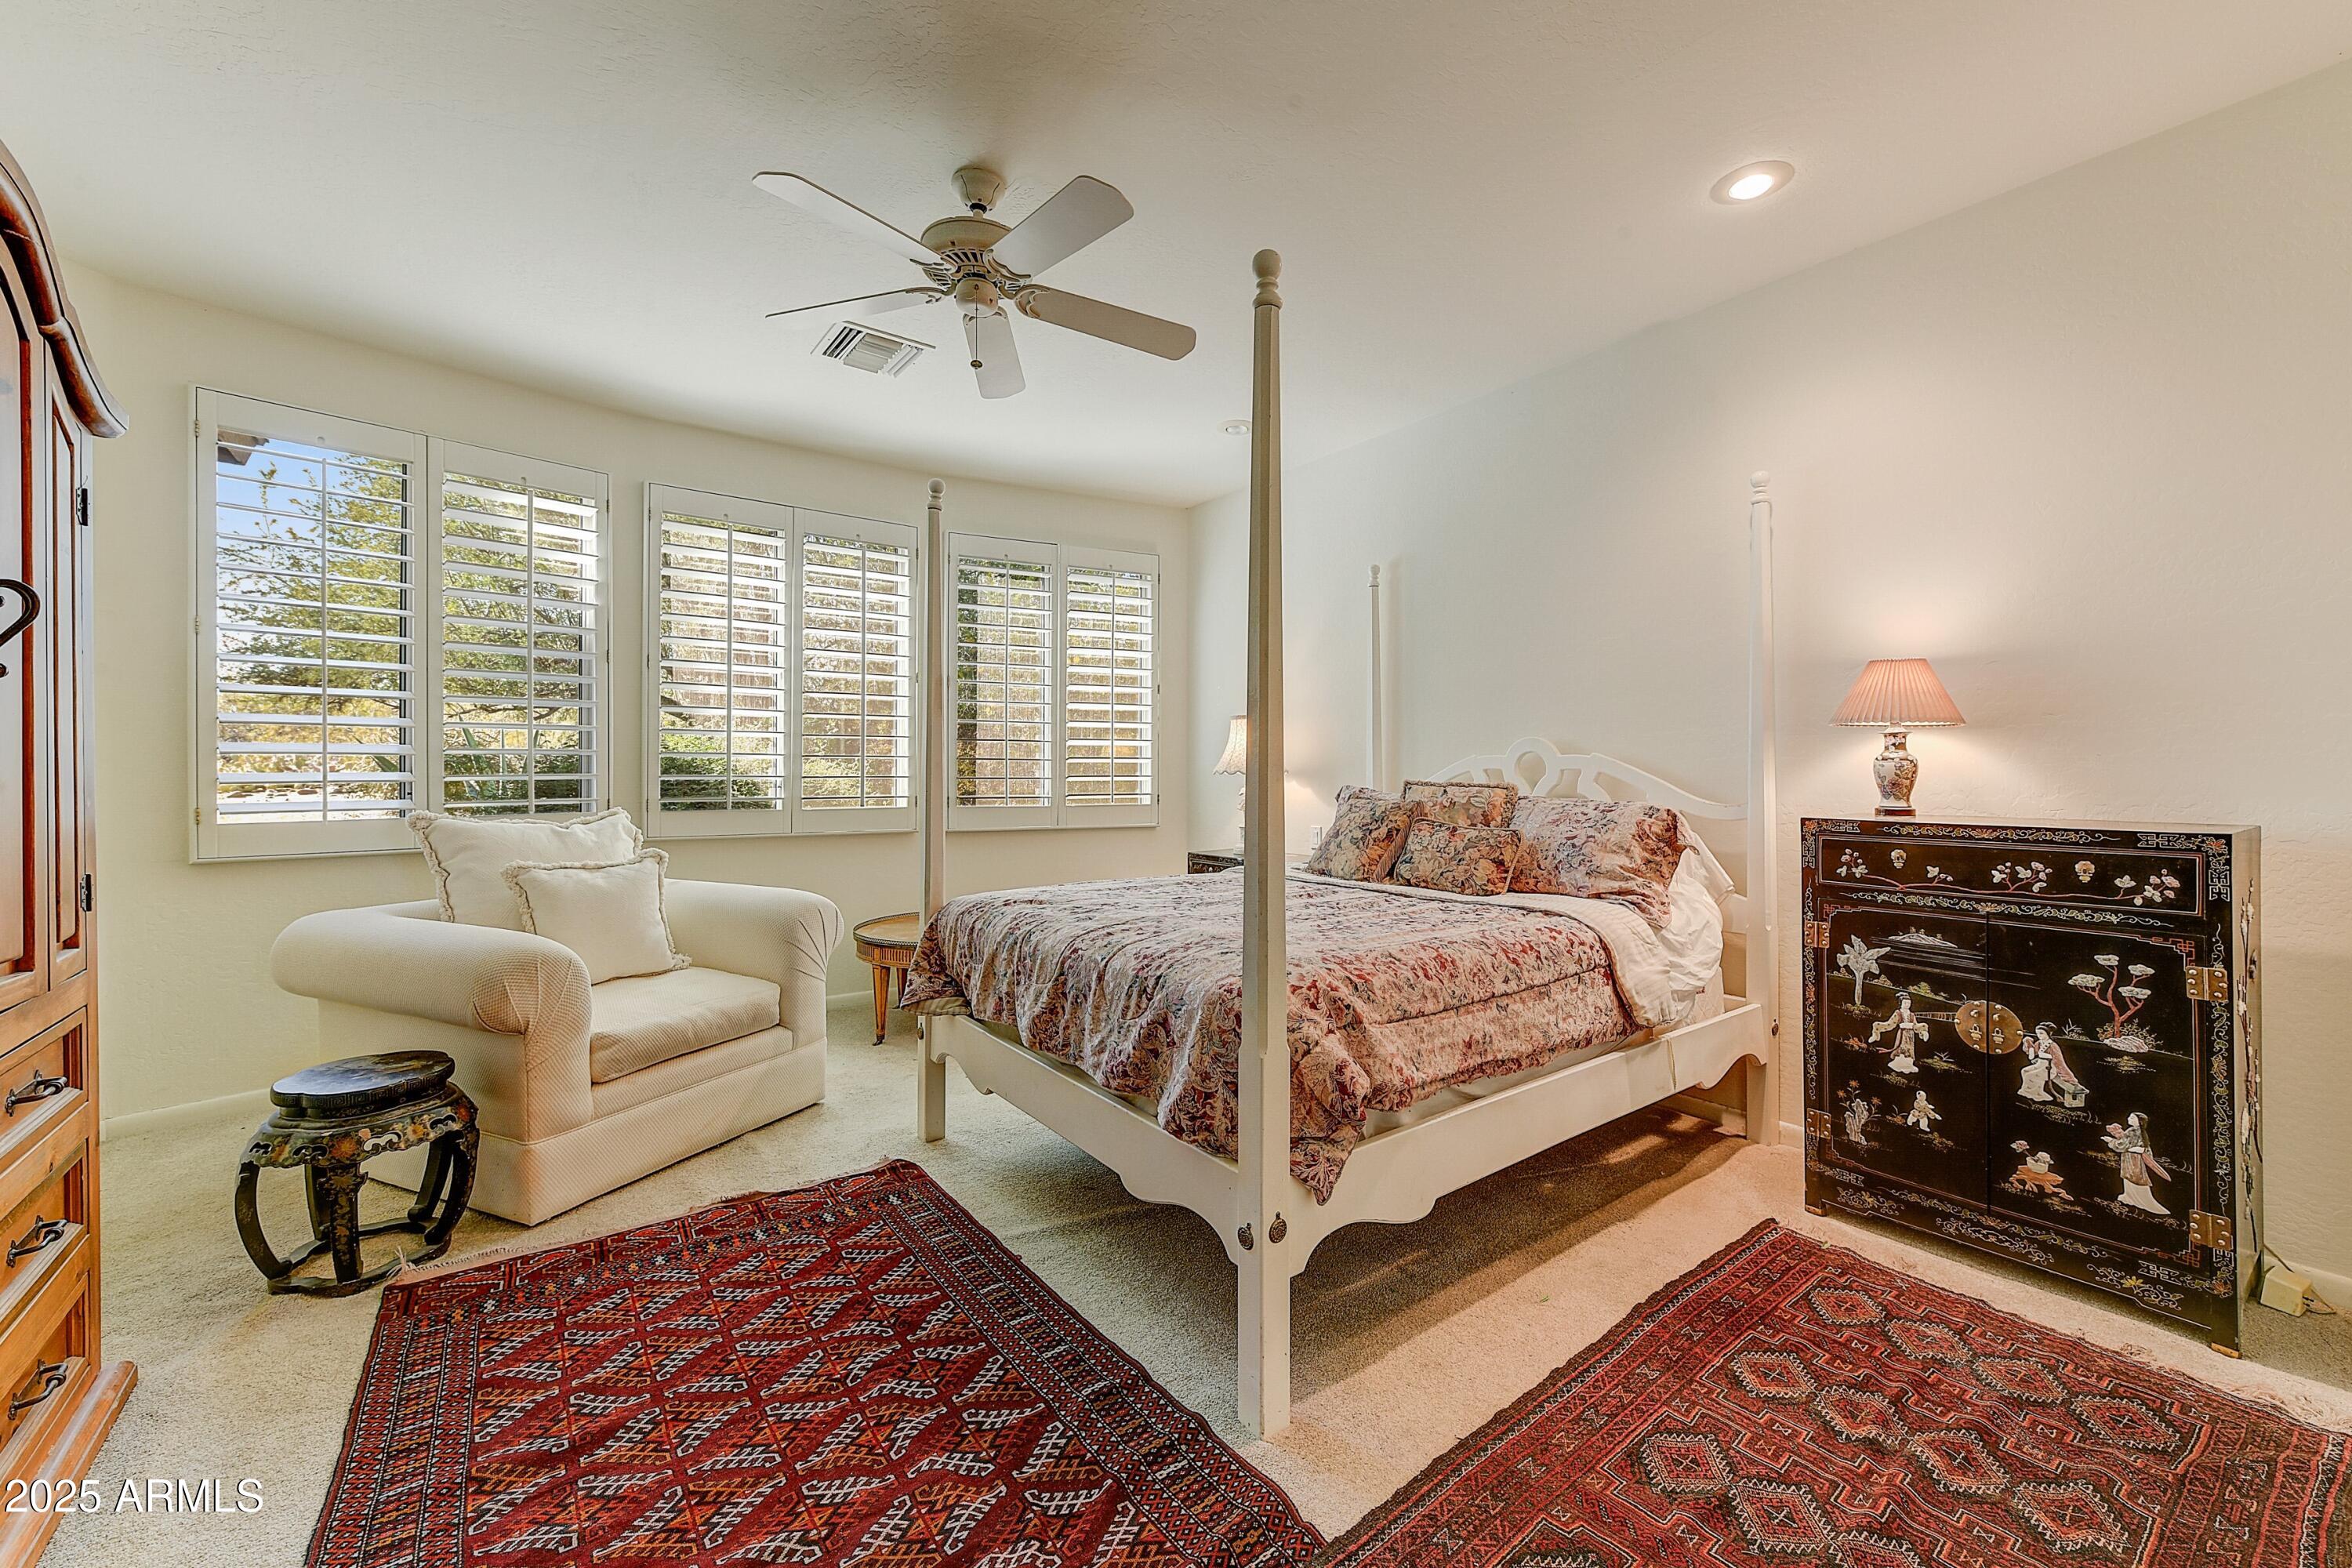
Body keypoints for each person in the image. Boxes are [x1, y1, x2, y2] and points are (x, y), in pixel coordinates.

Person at [2102, 1113, 2172, 1214]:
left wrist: (2111, 1141)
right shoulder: (2139, 1132)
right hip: (2132, 1158)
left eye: (2132, 1118)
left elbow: (2122, 1145)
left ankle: (2142, 1201)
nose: (2128, 1119)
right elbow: (2129, 1142)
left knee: (2135, 1177)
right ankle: (2130, 1197)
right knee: (2130, 1177)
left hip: (2133, 1159)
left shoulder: (2134, 1131)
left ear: (2139, 1121)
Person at [1871, 993, 1927, 1074]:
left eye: (1909, 1003)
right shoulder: (1898, 1013)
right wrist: (1877, 1029)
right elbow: (1890, 1024)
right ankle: (1899, 1065)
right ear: (1901, 1003)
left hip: (1911, 1035)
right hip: (1902, 1033)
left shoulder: (1912, 1015)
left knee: (1910, 1049)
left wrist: (1923, 1031)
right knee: (1901, 1048)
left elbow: (1916, 1026)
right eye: (1905, 1003)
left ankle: (1909, 1065)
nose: (1907, 1005)